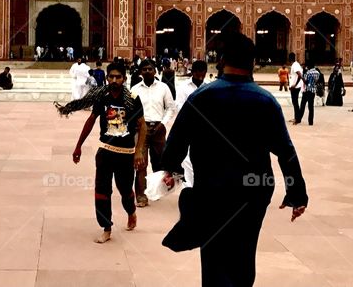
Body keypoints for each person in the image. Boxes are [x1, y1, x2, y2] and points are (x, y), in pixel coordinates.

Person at [160, 32, 308, 287]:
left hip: (212, 192)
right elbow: (285, 151)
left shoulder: (201, 98)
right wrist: (296, 192)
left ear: (221, 60)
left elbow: (174, 146)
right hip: (253, 192)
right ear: (252, 63)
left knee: (214, 255)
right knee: (243, 252)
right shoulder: (265, 101)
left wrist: (171, 170)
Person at [62, 62, 147, 244]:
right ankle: (106, 228)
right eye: (111, 77)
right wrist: (78, 146)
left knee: (125, 190)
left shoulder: (132, 98)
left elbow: (142, 126)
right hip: (106, 152)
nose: (114, 80)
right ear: (107, 78)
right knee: (102, 191)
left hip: (126, 154)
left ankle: (131, 211)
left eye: (118, 77)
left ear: (124, 79)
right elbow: (91, 120)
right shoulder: (102, 96)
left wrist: (139, 151)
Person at [129, 59, 176, 207]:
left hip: (158, 128)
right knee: (140, 163)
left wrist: (163, 123)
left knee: (159, 162)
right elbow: (130, 110)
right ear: (140, 72)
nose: (147, 71)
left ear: (155, 71)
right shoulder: (134, 89)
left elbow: (170, 107)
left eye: (150, 69)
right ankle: (141, 196)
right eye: (144, 69)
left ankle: (155, 191)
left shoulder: (163, 88)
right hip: (141, 129)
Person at [174, 60, 209, 187]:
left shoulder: (208, 87)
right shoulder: (184, 87)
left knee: (204, 159)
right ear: (192, 72)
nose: (200, 75)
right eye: (197, 72)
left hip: (205, 129)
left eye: (203, 72)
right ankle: (188, 188)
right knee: (187, 160)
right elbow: (180, 107)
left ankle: (201, 187)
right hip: (188, 128)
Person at [288, 52, 304, 125]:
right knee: (295, 103)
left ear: (290, 58)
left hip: (295, 87)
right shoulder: (295, 64)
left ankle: (297, 119)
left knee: (295, 103)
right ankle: (296, 117)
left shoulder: (295, 65)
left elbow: (300, 75)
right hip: (294, 87)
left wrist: (295, 85)